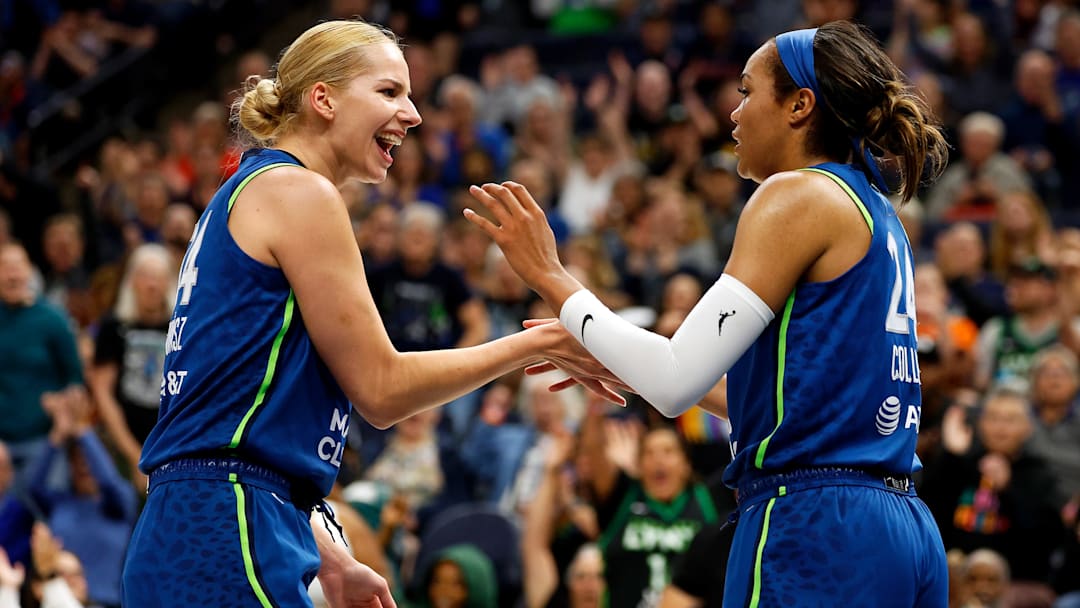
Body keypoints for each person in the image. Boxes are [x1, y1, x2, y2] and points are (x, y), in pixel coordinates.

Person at [120, 19, 622, 608]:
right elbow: (381, 390)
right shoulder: (301, 193)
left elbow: (232, 416)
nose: (412, 114)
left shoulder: (251, 192)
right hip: (226, 522)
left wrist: (326, 551)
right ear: (323, 99)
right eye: (389, 92)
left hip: (214, 516)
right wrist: (536, 344)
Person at [465, 20, 951, 607]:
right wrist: (619, 355)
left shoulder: (796, 194)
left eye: (747, 92)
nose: (734, 114)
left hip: (818, 523)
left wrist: (549, 275)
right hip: (901, 526)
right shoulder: (874, 210)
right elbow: (791, 396)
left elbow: (673, 380)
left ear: (800, 106)